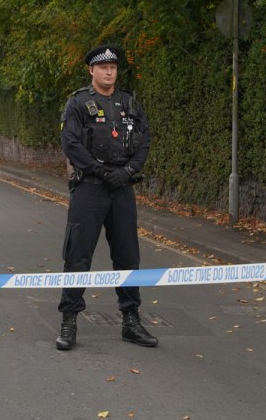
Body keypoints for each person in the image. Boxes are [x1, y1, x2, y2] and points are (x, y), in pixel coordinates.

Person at [55, 45, 157, 351]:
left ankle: (131, 321)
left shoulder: (129, 102)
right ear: (92, 70)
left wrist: (128, 171)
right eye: (103, 67)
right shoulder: (78, 103)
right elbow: (71, 144)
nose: (109, 72)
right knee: (78, 255)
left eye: (113, 67)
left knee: (128, 256)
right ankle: (69, 320)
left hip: (122, 188)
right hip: (90, 188)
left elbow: (144, 140)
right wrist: (99, 171)